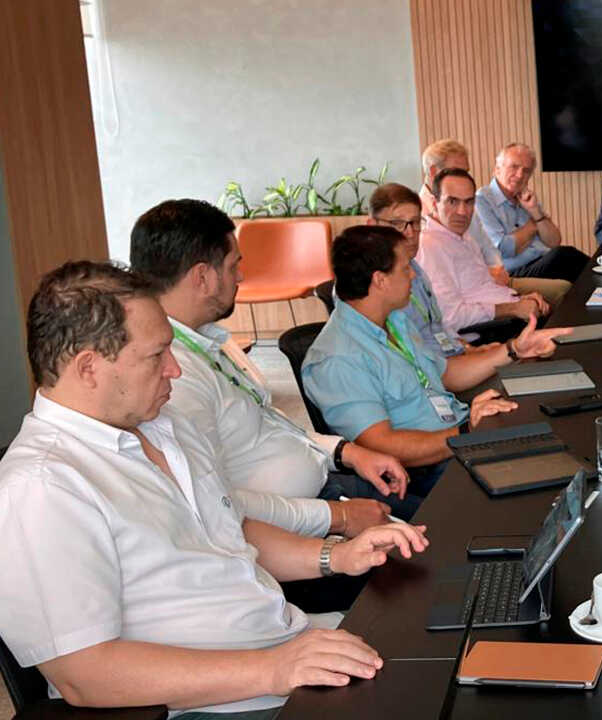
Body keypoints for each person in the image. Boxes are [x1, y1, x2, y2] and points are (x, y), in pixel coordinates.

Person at [0, 261, 428, 717]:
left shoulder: (164, 426)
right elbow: (84, 674)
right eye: (156, 355)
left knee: (440, 641)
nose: (174, 370)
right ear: (89, 368)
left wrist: (336, 556)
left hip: (282, 649)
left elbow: (228, 531)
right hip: (219, 702)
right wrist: (274, 668)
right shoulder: (43, 487)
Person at [129, 199, 411, 524]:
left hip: (326, 482)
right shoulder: (173, 377)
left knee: (446, 512)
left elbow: (267, 423)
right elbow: (219, 504)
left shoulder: (207, 338)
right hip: (301, 521)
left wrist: (345, 452)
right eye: (233, 266)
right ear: (202, 277)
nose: (241, 276)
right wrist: (338, 516)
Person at [303, 224, 518, 483]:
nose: (414, 276)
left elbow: (446, 373)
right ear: (380, 280)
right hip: (427, 470)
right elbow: (382, 445)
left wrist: (513, 349)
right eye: (406, 268)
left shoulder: (395, 320)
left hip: (456, 436)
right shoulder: (338, 358)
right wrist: (466, 432)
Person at [368, 182, 570, 384]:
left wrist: (467, 349)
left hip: (454, 359)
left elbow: (439, 325)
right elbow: (428, 357)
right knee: (537, 379)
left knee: (549, 370)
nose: (410, 233)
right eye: (397, 224)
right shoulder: (381, 286)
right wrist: (505, 340)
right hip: (440, 377)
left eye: (415, 223)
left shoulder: (417, 270)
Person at [419, 138, 571, 306]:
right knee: (563, 260)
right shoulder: (421, 218)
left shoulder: (469, 203)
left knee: (564, 274)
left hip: (494, 279)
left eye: (466, 172)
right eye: (457, 172)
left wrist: (497, 268)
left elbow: (487, 246)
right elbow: (502, 249)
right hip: (475, 289)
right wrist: (534, 224)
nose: (520, 175)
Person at [417, 169, 552, 335]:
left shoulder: (464, 237)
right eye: (452, 201)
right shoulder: (430, 247)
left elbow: (484, 289)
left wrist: (520, 299)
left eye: (468, 202)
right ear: (434, 203)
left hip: (505, 312)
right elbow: (451, 317)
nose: (462, 211)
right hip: (489, 330)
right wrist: (514, 308)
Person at [474, 142, 589, 281]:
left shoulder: (525, 197)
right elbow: (505, 249)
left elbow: (554, 241)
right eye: (514, 167)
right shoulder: (482, 200)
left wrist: (535, 212)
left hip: (542, 260)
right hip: (514, 272)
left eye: (526, 170)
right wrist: (532, 226)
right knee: (564, 256)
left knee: (568, 261)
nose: (520, 175)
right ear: (497, 169)